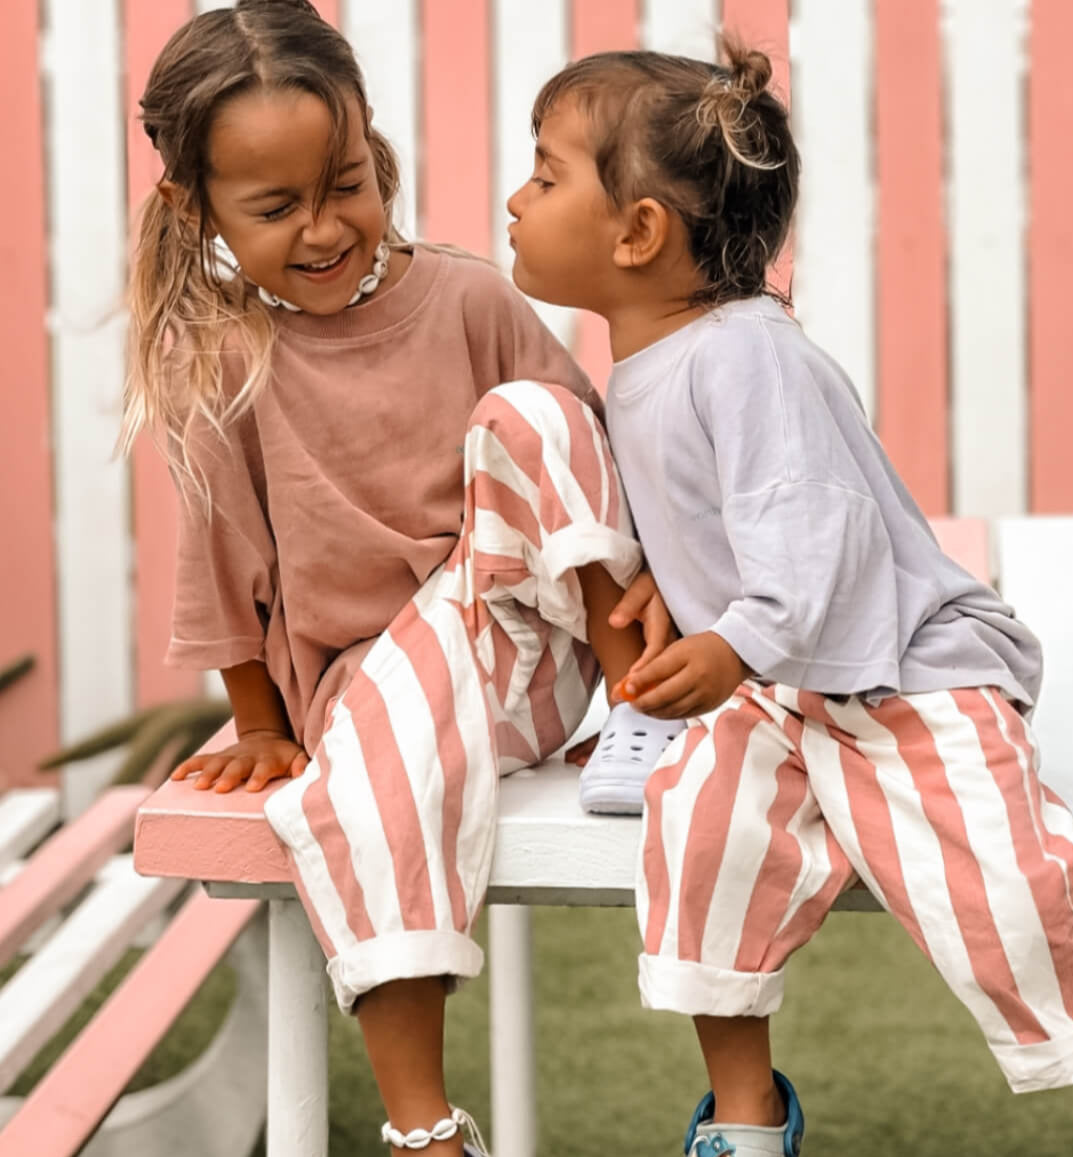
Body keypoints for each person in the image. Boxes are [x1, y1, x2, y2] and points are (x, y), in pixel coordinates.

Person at [506, 38, 1073, 1157]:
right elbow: (722, 510)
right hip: (785, 688)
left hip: (902, 671)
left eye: (545, 172)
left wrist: (730, 643)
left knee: (1010, 896)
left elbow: (816, 535)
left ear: (637, 232)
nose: (516, 199)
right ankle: (744, 1114)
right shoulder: (656, 360)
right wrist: (678, 582)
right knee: (700, 830)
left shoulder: (744, 354)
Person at [119, 2, 681, 1151]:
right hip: (384, 693)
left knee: (534, 406)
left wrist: (652, 604)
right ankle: (427, 1132)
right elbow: (222, 560)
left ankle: (644, 709)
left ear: (373, 147)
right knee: (347, 788)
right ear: (197, 206)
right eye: (275, 207)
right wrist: (259, 720)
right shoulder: (226, 361)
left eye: (345, 183)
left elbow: (590, 458)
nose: (325, 227)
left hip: (534, 641)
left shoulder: (469, 297)